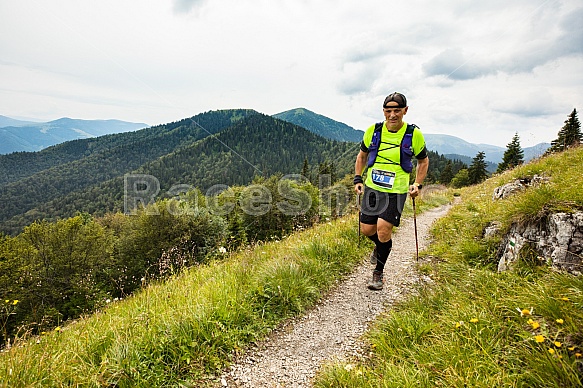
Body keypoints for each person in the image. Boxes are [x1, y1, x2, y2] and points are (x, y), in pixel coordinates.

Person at [354, 92, 429, 290]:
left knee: (383, 229)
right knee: (367, 230)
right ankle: (380, 247)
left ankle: (378, 273)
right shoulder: (373, 131)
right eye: (388, 111)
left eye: (397, 110)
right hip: (372, 187)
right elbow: (361, 156)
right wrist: (358, 179)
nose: (392, 115)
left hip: (396, 190)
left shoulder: (414, 134)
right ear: (384, 111)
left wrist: (417, 184)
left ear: (405, 111)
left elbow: (423, 161)